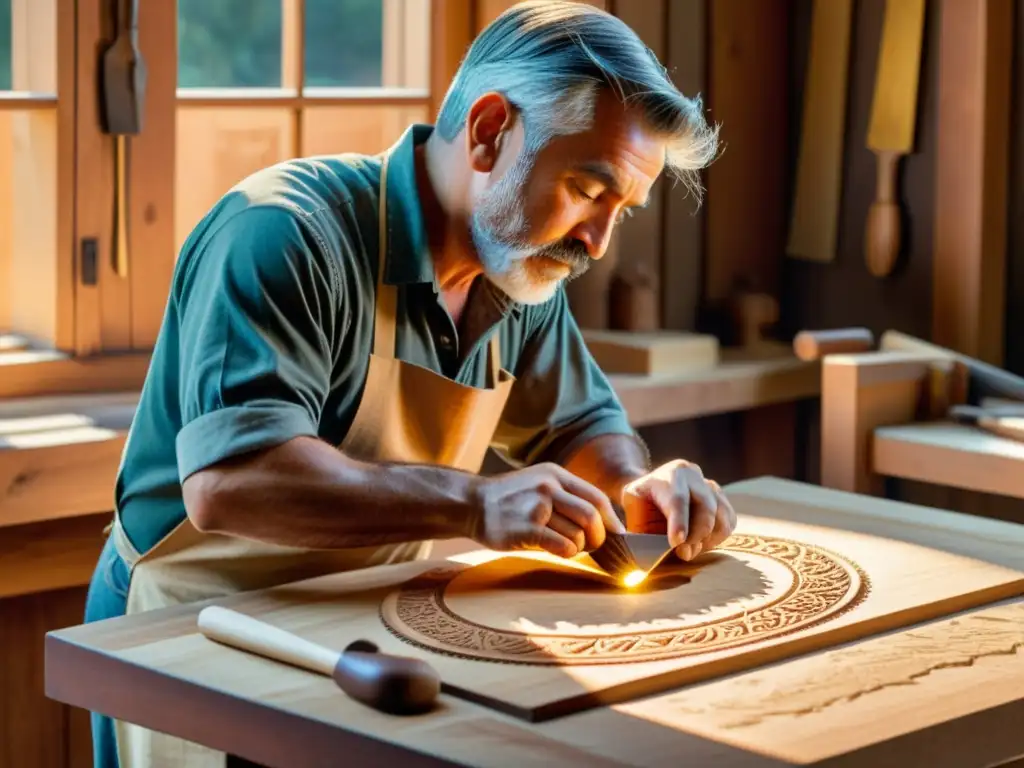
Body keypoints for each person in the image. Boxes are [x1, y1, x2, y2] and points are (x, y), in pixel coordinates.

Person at [84, 1, 731, 765]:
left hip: (370, 626)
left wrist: (637, 490)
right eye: (591, 191)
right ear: (490, 133)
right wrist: (473, 502)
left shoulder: (521, 272)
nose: (596, 242)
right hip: (193, 624)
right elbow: (231, 483)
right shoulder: (283, 233)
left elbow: (580, 429)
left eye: (620, 210)